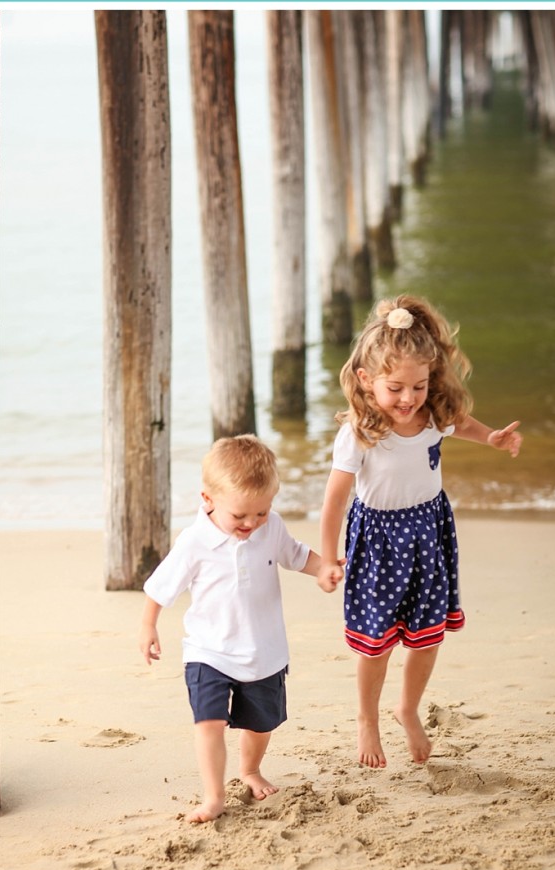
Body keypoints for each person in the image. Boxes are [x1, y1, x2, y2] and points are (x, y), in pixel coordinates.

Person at [317, 295, 522, 769]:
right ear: (367, 382)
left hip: (429, 532)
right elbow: (332, 503)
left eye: (419, 385)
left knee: (428, 635)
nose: (408, 398)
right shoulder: (359, 433)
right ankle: (367, 717)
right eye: (395, 388)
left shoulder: (431, 415)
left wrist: (491, 437)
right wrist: (328, 559)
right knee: (377, 639)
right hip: (379, 543)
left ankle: (406, 707)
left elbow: (460, 423)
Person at [140, 434, 326, 823]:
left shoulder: (270, 527)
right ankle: (214, 796)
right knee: (209, 722)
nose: (251, 524)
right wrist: (149, 626)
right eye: (240, 515)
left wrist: (323, 568)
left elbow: (297, 555)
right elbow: (161, 586)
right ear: (207, 500)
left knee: (262, 724)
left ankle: (251, 769)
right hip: (209, 651)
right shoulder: (195, 542)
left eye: (260, 513)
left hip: (264, 651)